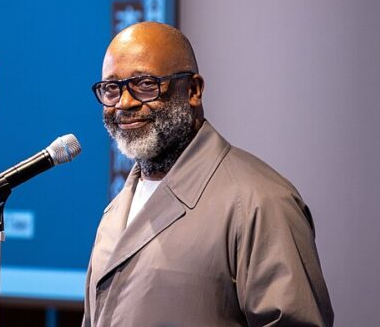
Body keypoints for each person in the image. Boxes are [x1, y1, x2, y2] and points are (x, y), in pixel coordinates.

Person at [83, 22, 333, 327]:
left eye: (146, 84)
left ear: (193, 90)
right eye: (111, 88)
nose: (125, 103)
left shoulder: (261, 202)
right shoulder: (115, 212)